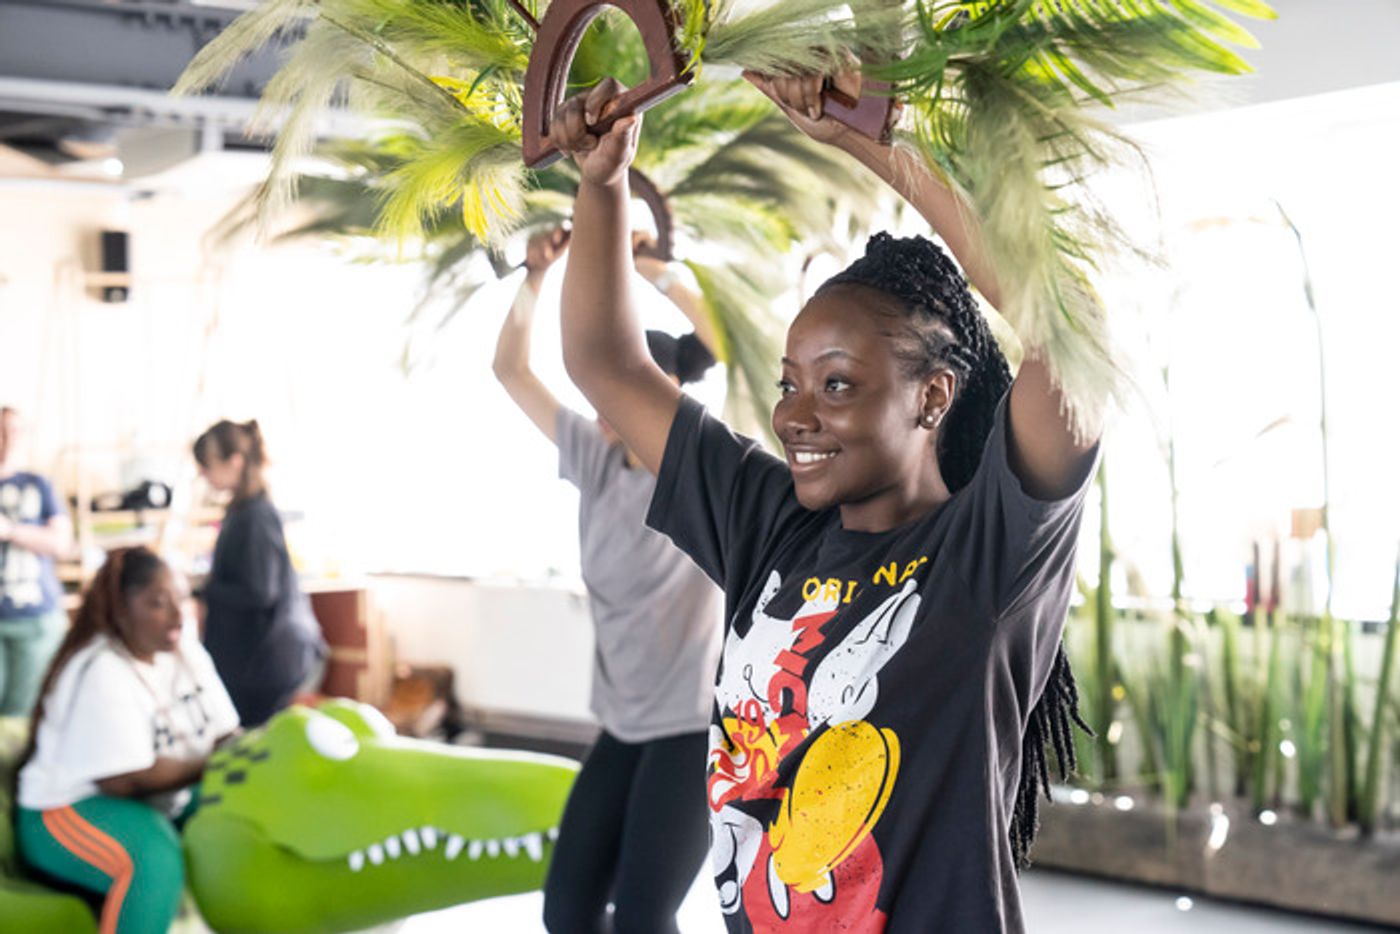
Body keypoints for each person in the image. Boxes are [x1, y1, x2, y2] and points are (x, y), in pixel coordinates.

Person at [549, 71, 1102, 932]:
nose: (793, 417)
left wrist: (871, 143)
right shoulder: (771, 526)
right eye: (789, 383)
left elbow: (1069, 330)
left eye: (837, 385)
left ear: (931, 398)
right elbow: (605, 364)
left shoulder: (988, 555)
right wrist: (603, 181)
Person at [493, 227, 724, 934]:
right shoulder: (594, 458)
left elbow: (729, 347)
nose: (597, 404)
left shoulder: (700, 470)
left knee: (643, 917)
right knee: (566, 911)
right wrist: (535, 277)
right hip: (623, 722)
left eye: (613, 388)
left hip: (693, 727)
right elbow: (510, 371)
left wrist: (657, 271)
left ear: (658, 394)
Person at [15, 546, 240, 934]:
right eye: (157, 603)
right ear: (121, 610)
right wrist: (211, 763)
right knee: (152, 859)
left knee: (241, 816)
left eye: (180, 599)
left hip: (156, 795)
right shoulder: (101, 668)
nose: (176, 614)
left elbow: (226, 732)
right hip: (64, 808)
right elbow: (122, 780)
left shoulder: (183, 648)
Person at [193, 420, 326, 727]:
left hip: (267, 662)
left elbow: (259, 591)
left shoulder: (255, 517)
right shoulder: (242, 511)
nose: (203, 475)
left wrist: (205, 589)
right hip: (255, 660)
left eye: (207, 465)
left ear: (235, 462)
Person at [0, 405, 72, 716]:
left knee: (23, 712)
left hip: (34, 617)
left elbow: (61, 543)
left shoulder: (38, 485)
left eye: (14, 431)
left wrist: (11, 531)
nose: (8, 439)